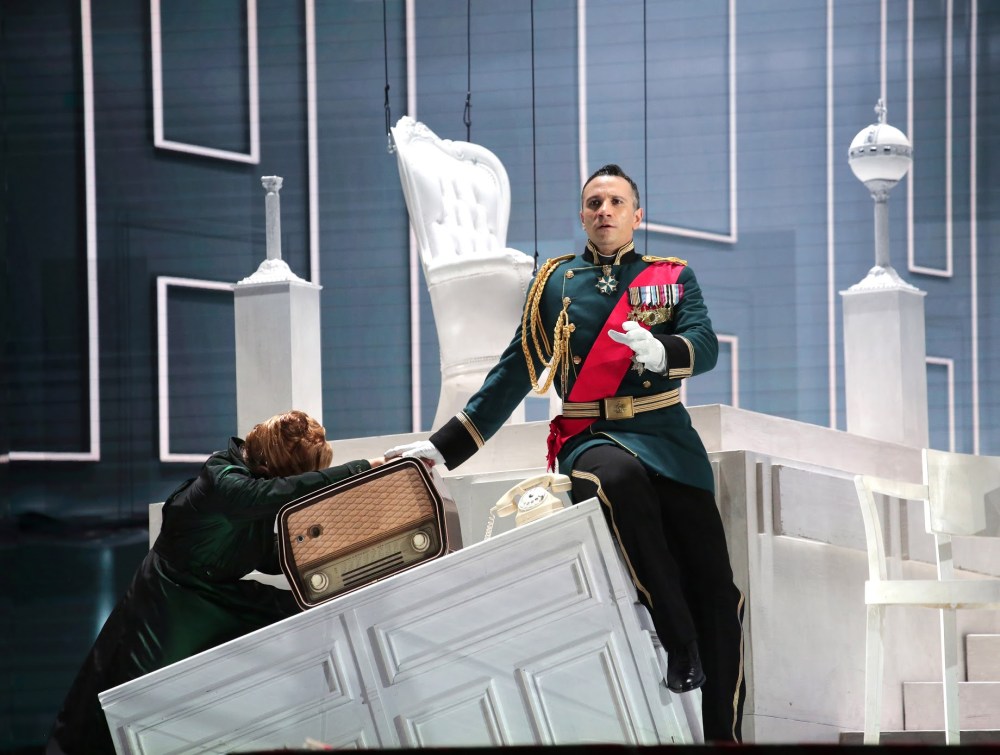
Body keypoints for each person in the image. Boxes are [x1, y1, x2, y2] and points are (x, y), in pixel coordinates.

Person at [386, 164, 746, 743]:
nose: (604, 210)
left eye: (616, 202)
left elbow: (703, 345)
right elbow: (514, 371)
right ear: (582, 215)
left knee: (718, 589)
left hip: (667, 437)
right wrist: (442, 447)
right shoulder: (555, 281)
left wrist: (661, 351)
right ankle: (679, 640)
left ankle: (723, 734)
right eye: (594, 202)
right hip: (590, 436)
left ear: (636, 214)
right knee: (619, 480)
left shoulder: (671, 277)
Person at [46, 410, 383, 755]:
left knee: (302, 610)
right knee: (127, 702)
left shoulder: (247, 492)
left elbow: (268, 555)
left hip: (213, 596)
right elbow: (273, 497)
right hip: (168, 604)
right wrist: (363, 468)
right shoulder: (223, 480)